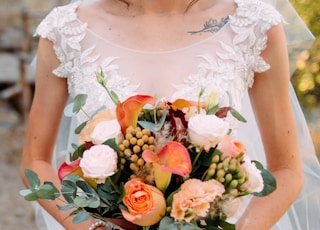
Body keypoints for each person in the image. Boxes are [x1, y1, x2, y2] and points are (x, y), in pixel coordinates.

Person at [20, 0, 320, 229]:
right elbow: (36, 161)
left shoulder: (253, 25)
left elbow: (286, 169)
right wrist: (93, 228)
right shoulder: (66, 31)